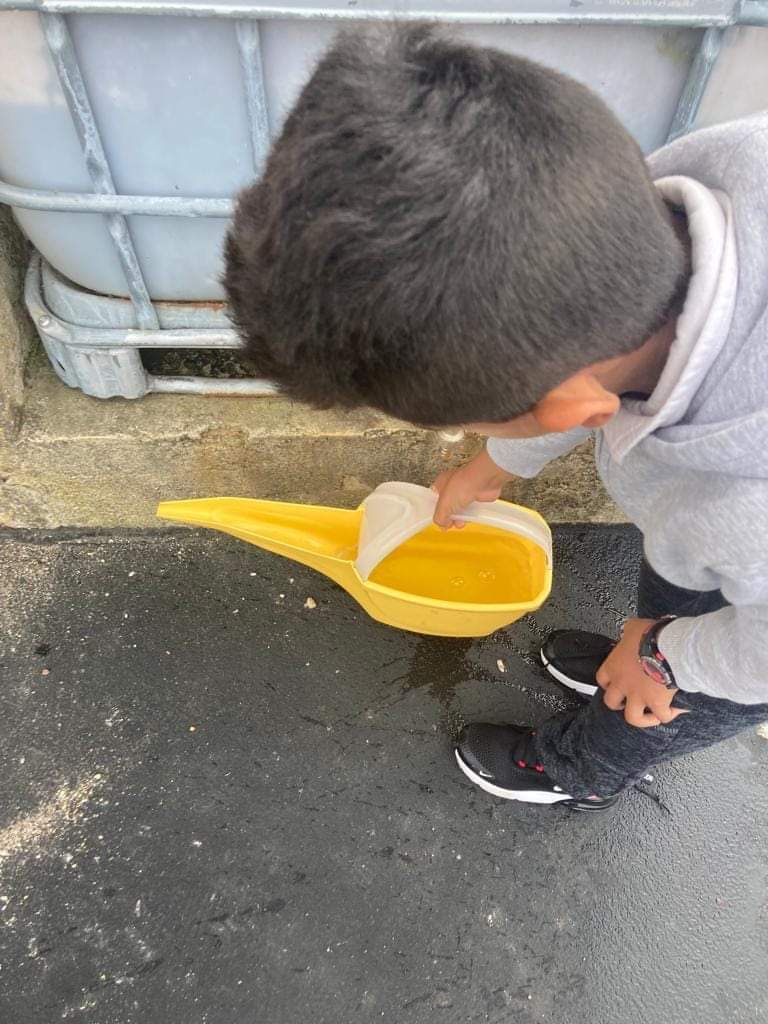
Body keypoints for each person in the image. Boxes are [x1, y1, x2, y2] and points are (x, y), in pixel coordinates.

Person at [223, 24, 768, 811]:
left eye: (471, 427)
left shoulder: (744, 508)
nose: (470, 437)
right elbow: (583, 349)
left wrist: (672, 662)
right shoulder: (647, 208)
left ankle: (581, 769)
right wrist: (497, 464)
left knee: (648, 707)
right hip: (705, 534)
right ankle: (648, 636)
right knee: (673, 594)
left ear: (577, 409)